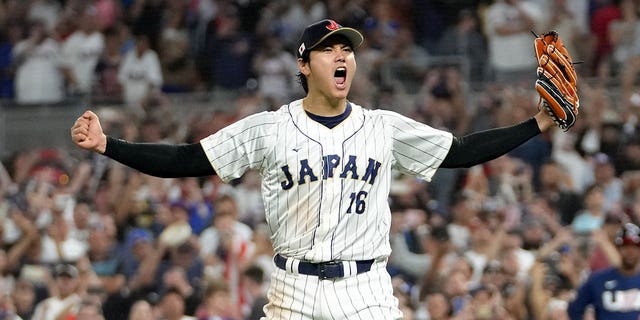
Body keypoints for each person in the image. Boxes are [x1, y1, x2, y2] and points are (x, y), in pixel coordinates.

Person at [71, 19, 556, 319]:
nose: (343, 55)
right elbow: (185, 159)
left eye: (347, 49)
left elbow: (463, 150)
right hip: (292, 289)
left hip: (366, 287)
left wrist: (538, 121)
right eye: (329, 49)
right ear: (304, 65)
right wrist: (109, 144)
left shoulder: (381, 126)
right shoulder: (269, 128)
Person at [568, 222, 640, 319]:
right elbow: (574, 309)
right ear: (617, 248)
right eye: (625, 246)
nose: (630, 251)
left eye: (635, 246)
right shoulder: (598, 280)